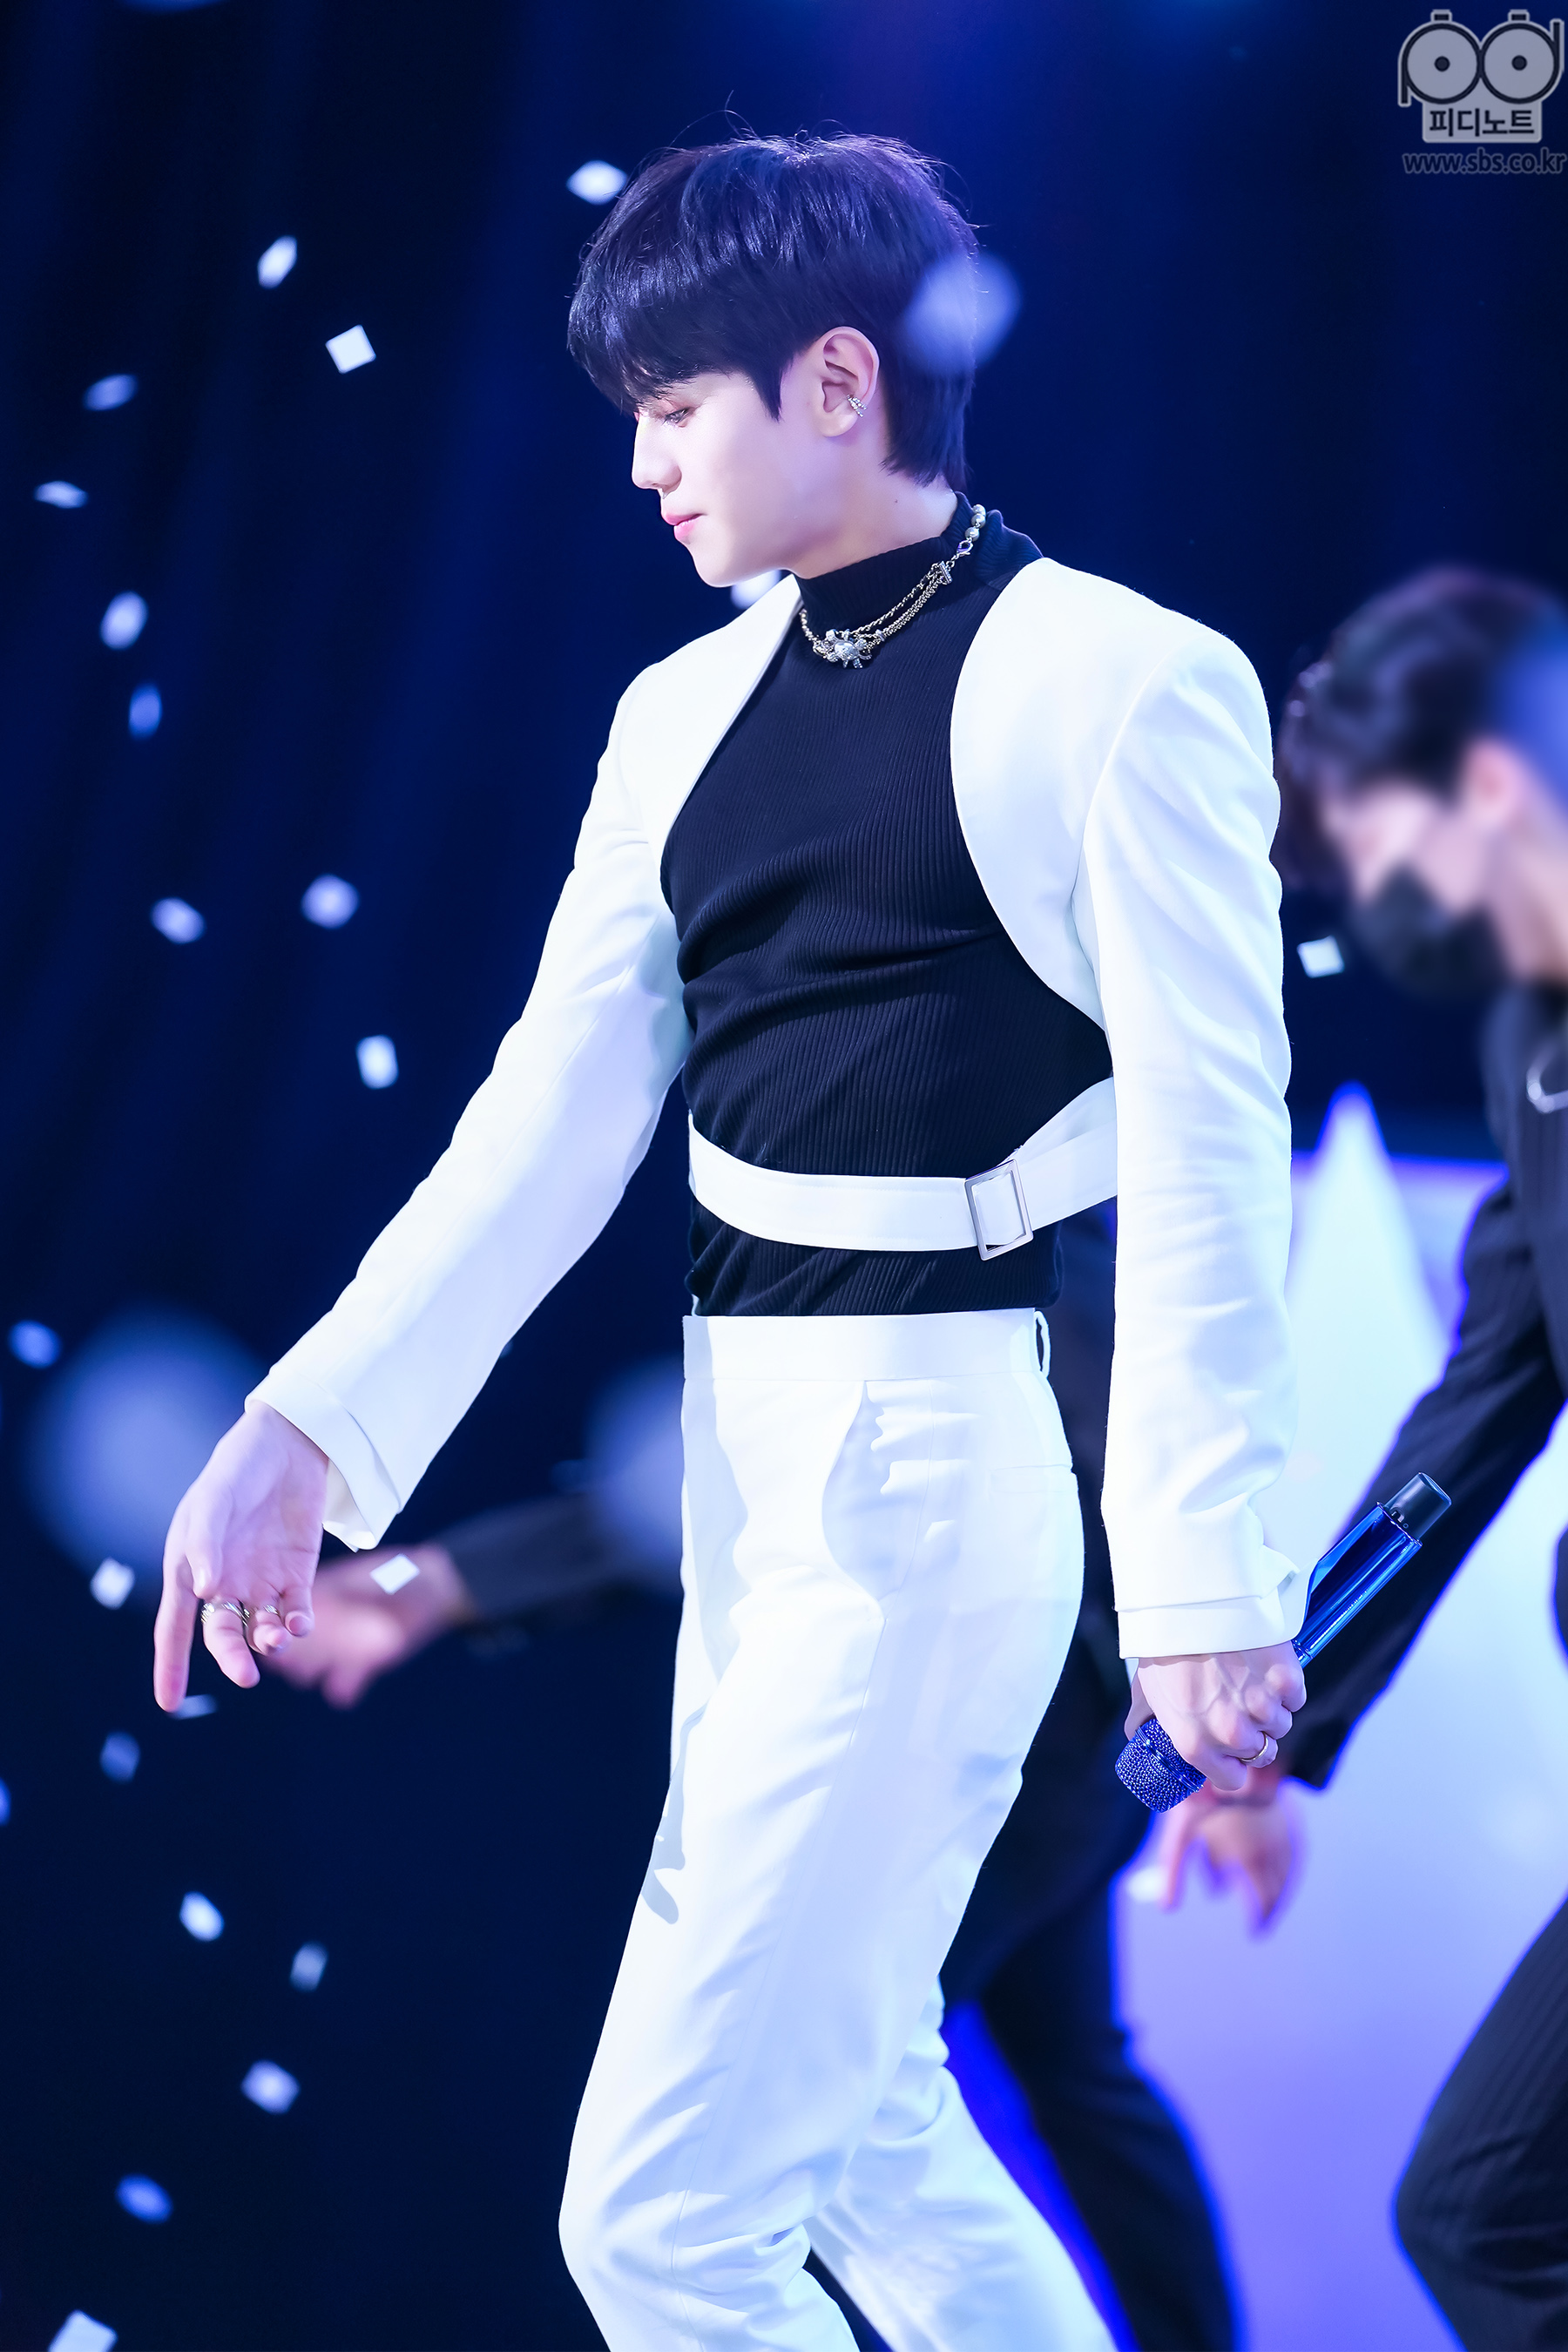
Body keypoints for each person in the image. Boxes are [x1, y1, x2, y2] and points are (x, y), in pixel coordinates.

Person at [154, 132, 1304, 2351]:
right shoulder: (672, 715)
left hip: (945, 1468)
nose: (645, 465)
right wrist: (304, 1430)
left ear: (838, 382)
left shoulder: (1117, 677)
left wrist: (1199, 1580)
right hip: (751, 1459)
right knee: (861, 2138)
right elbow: (545, 1128)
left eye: (676, 408)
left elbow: (1207, 1150)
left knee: (662, 2226)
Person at [274, 1217, 1240, 2352]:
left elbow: (899, 1453)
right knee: (1029, 2083)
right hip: (1059, 1732)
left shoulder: (999, 1186)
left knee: (812, 2107)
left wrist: (1206, 1667)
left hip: (1023, 1733)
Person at [1158, 564, 1568, 2351]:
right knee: (1482, 2211)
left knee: (1484, 2210)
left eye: (1381, 843)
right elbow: (1472, 1416)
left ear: (1488, 782)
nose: (1375, 898)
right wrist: (1271, 1729)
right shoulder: (1530, 1046)